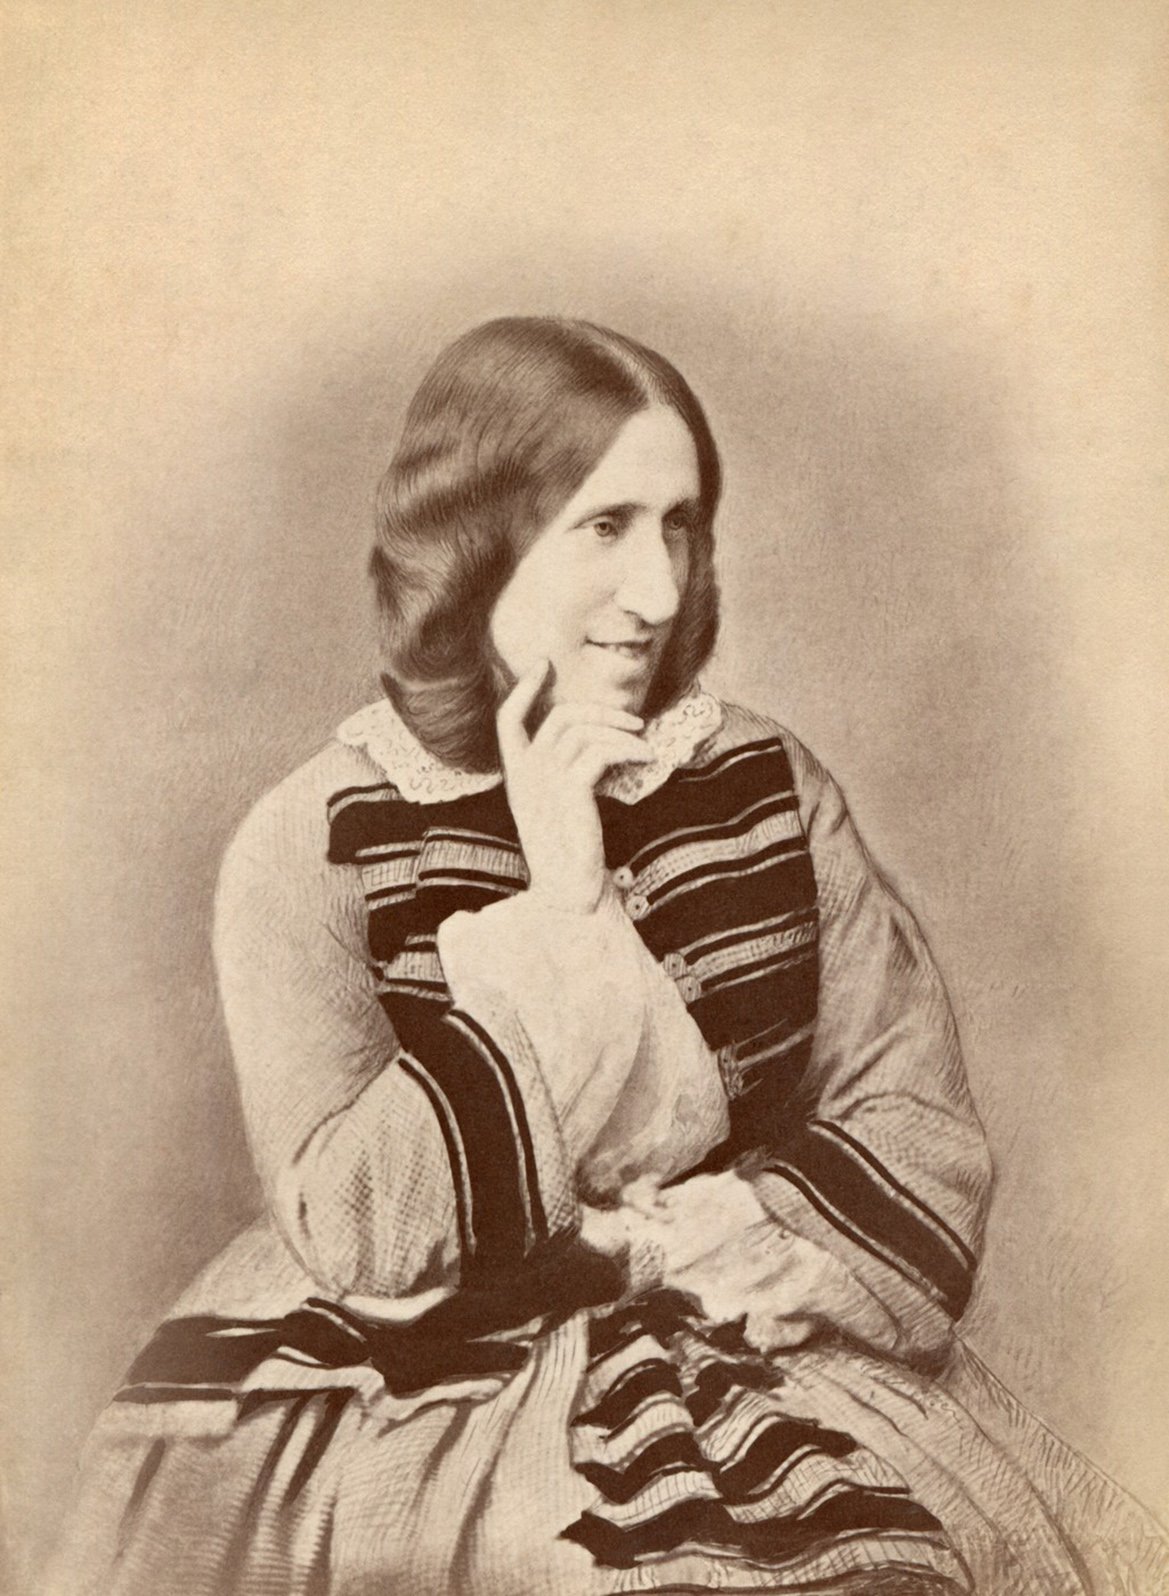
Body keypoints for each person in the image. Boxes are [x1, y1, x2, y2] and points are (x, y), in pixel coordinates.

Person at [50, 318, 1168, 1595]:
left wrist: (732, 1228)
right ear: (478, 541)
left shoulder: (763, 784)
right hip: (410, 1405)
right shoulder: (312, 839)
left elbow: (915, 1123)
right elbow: (358, 1229)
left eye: (677, 527)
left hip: (750, 1336)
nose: (657, 591)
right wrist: (563, 906)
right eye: (604, 527)